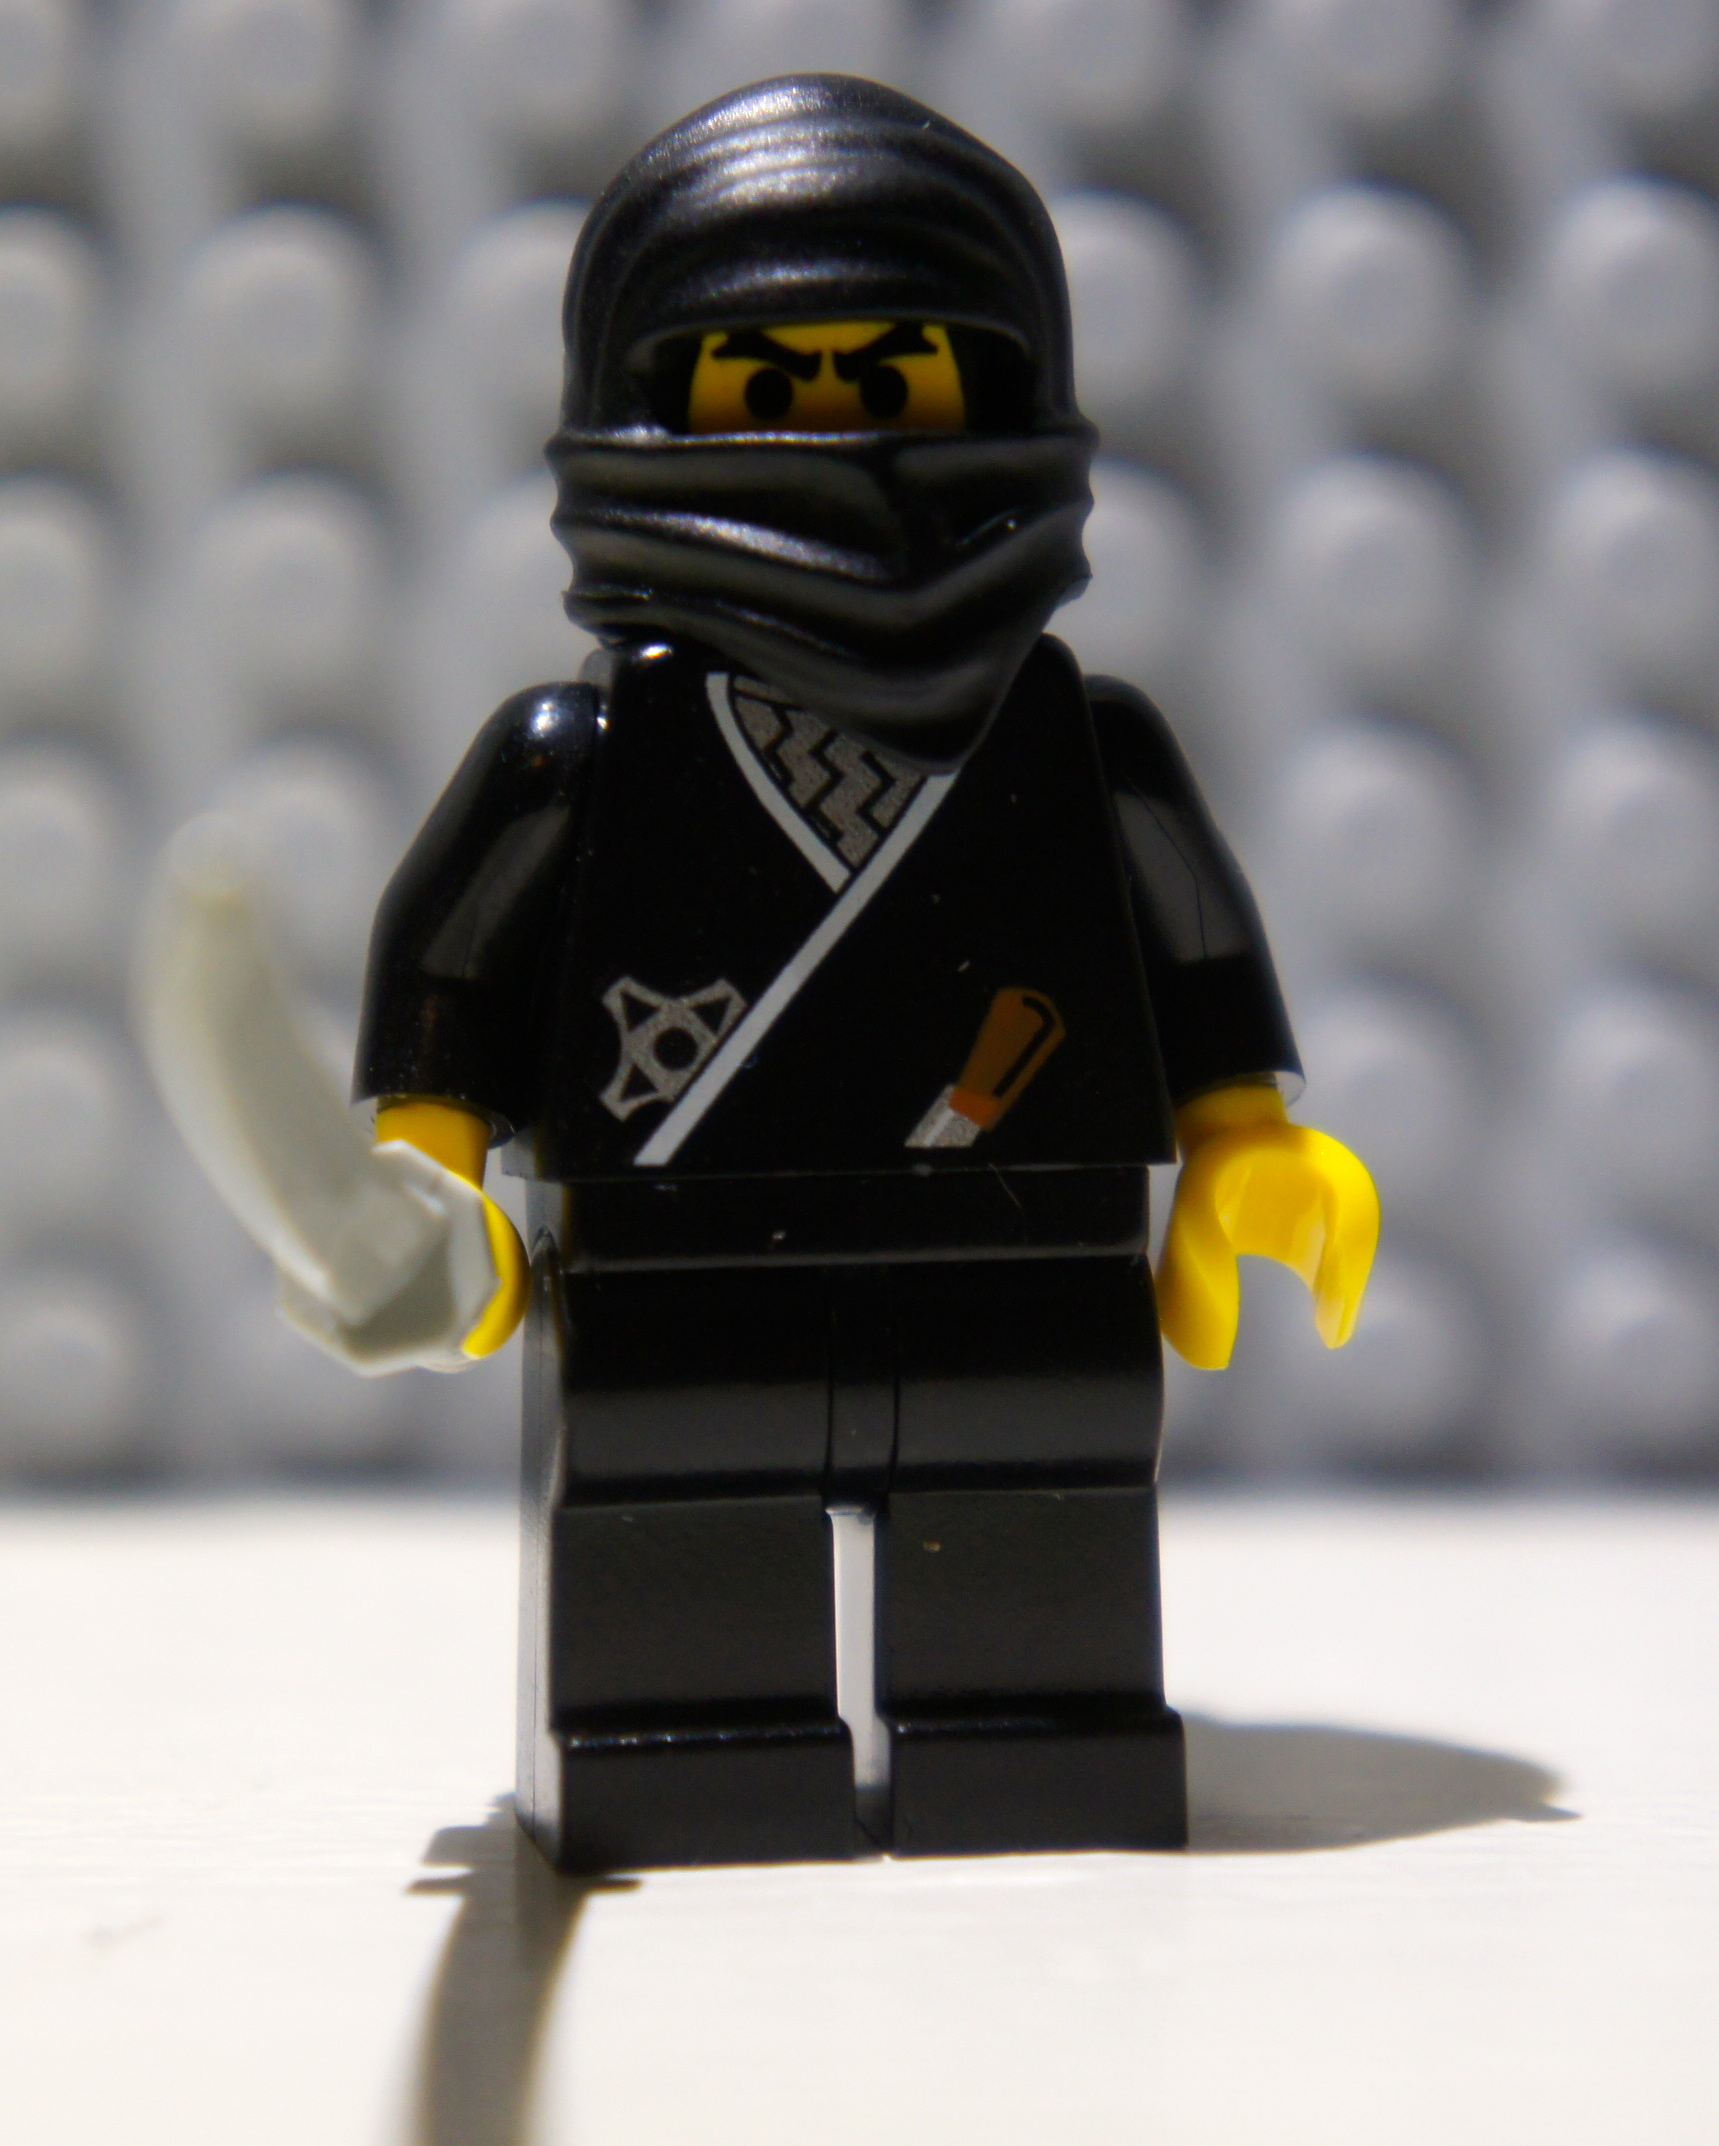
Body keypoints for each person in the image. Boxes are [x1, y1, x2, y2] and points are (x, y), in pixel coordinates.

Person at [354, 74, 1378, 1869]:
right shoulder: (582, 755)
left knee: (1037, 1488)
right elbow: (451, 957)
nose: (838, 432)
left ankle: (1032, 1739)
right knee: (679, 1509)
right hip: (673, 1249)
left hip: (1029, 1231)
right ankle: (684, 1749)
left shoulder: (1080, 746)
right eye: (768, 388)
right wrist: (427, 1175)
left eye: (898, 380)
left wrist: (1240, 1140)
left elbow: (1193, 945)